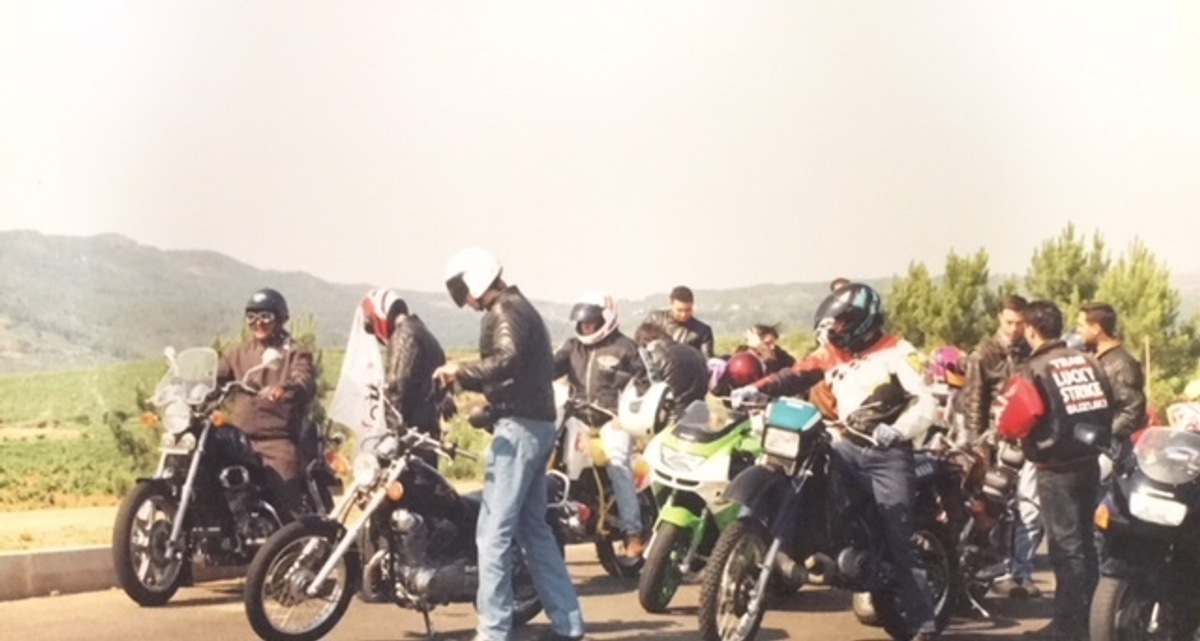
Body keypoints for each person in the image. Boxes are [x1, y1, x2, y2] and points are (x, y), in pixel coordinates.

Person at [432, 248, 585, 641]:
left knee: (492, 533)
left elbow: (508, 357)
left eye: (462, 289)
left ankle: (493, 631)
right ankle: (568, 625)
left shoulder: (505, 310)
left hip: (519, 431)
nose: (464, 299)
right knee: (534, 529)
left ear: (476, 279)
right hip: (536, 426)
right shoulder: (520, 307)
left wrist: (460, 372)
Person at [809, 283, 941, 641]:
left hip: (887, 454)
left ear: (862, 320)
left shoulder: (899, 351)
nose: (837, 329)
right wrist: (755, 388)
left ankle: (923, 623)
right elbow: (797, 373)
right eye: (835, 323)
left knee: (899, 535)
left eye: (843, 322)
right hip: (845, 446)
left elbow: (926, 403)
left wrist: (897, 430)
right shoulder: (838, 353)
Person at [996, 300, 1115, 641]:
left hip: (1055, 468)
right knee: (1087, 545)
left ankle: (1067, 626)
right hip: (1090, 463)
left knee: (1066, 549)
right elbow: (1108, 405)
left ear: (1031, 330)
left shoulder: (1034, 369)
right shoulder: (1089, 361)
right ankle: (1091, 620)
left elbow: (1013, 421)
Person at [554, 291, 646, 557]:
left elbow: (644, 383)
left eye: (591, 322)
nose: (586, 327)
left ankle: (632, 532)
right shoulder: (573, 346)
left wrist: (625, 414)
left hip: (611, 420)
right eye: (583, 322)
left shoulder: (625, 347)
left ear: (606, 319)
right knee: (548, 452)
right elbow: (551, 367)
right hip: (577, 416)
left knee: (618, 462)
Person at [962, 294, 1042, 599]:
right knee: (993, 509)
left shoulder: (1031, 353)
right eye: (1009, 322)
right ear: (999, 318)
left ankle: (1023, 571)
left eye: (1020, 323)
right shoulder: (982, 354)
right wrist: (978, 447)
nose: (1014, 329)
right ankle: (996, 571)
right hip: (994, 443)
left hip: (1027, 441)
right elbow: (973, 402)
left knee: (1029, 508)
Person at [217, 287, 316, 522]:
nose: (258, 323)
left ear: (280, 318)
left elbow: (304, 380)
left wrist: (285, 388)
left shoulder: (294, 352)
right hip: (239, 439)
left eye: (265, 316)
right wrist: (193, 386)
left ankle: (291, 535)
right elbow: (216, 377)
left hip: (275, 438)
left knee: (284, 492)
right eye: (251, 317)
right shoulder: (238, 353)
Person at [360, 288, 451, 466]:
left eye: (372, 325)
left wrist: (391, 436)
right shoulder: (423, 332)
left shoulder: (404, 335)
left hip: (410, 440)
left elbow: (397, 388)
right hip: (427, 434)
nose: (376, 334)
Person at [1077, 302, 1147, 453]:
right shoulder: (1091, 356)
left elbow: (1132, 410)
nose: (1078, 330)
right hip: (1090, 444)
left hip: (1112, 449)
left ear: (1096, 328)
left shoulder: (1122, 364)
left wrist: (1105, 436)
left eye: (1081, 325)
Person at [633, 321, 710, 411]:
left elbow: (643, 389)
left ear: (645, 342)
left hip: (672, 412)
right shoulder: (694, 351)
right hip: (700, 410)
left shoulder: (652, 355)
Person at [642, 285, 715, 357]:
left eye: (688, 310)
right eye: (679, 310)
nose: (683, 314)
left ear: (692, 305)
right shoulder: (655, 320)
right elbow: (641, 346)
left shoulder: (703, 331)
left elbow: (707, 359)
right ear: (671, 305)